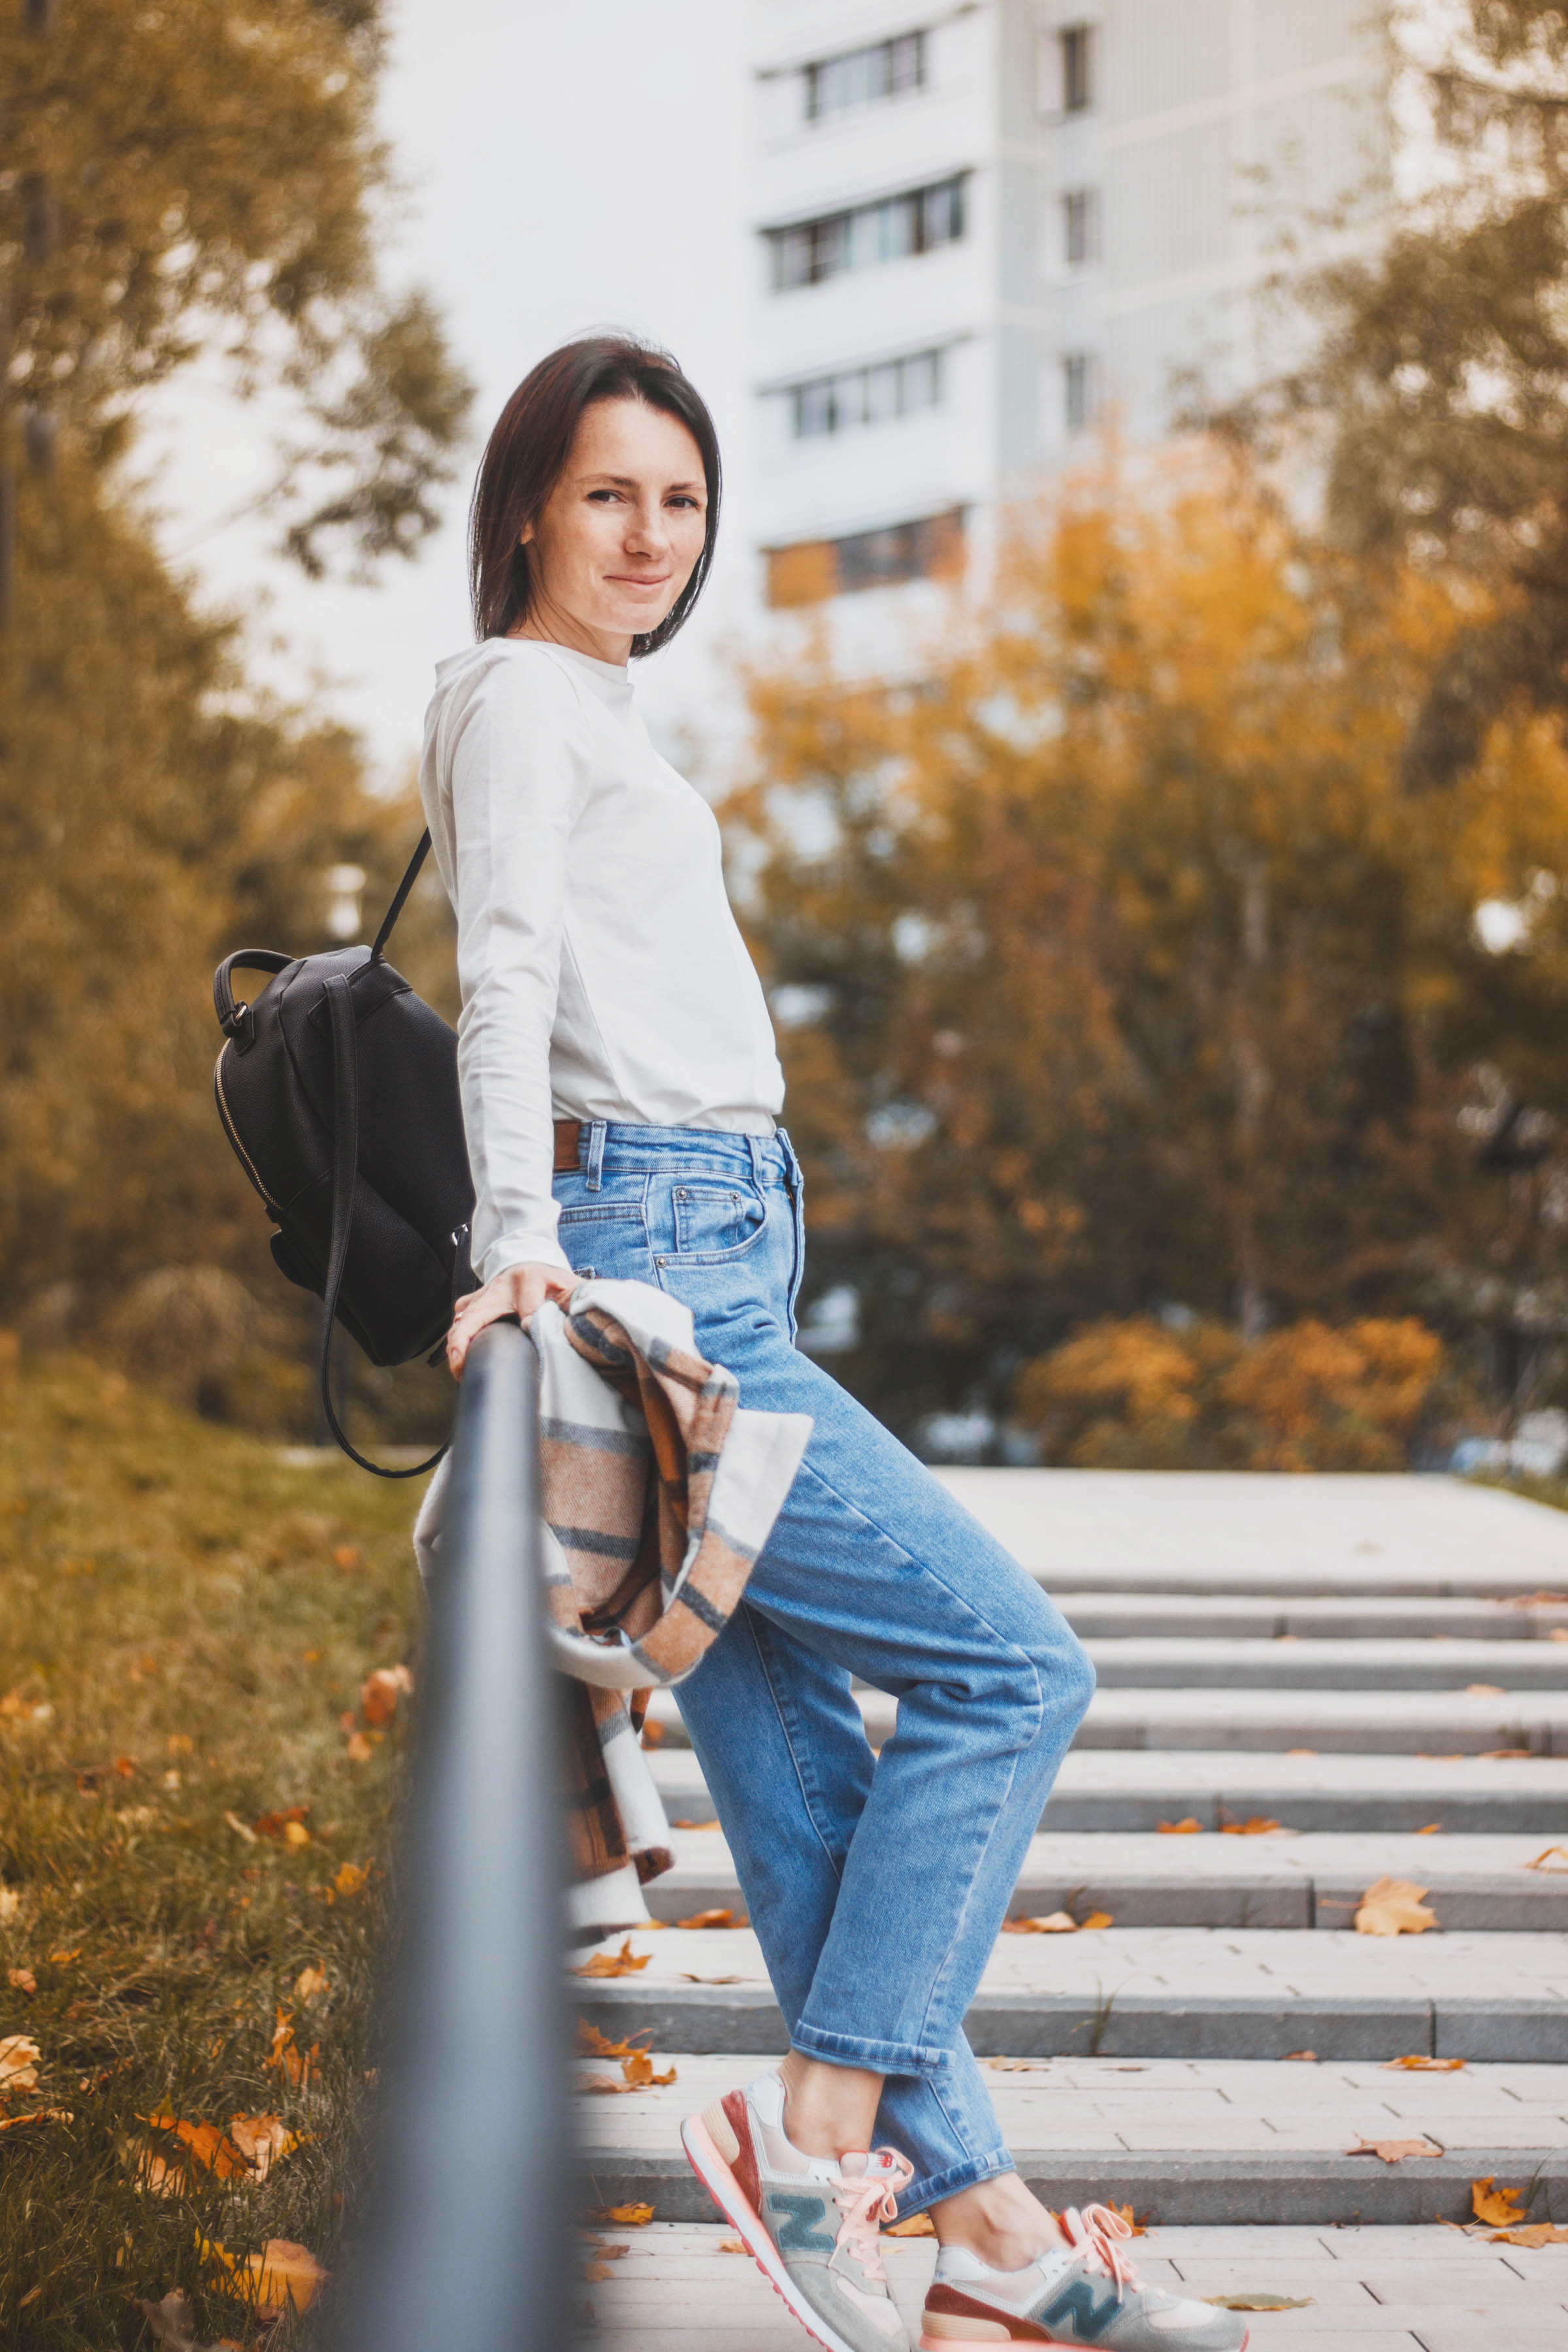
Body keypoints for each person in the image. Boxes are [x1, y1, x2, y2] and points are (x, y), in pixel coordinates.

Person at [423, 335, 1247, 2352]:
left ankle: (991, 2245)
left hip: (717, 1249)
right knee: (1012, 1671)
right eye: (609, 495)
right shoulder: (522, 697)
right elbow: (503, 978)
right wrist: (522, 1243)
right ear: (527, 506)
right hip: (661, 1268)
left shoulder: (587, 704)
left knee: (799, 1781)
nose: (650, 536)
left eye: (681, 502)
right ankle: (813, 2139)